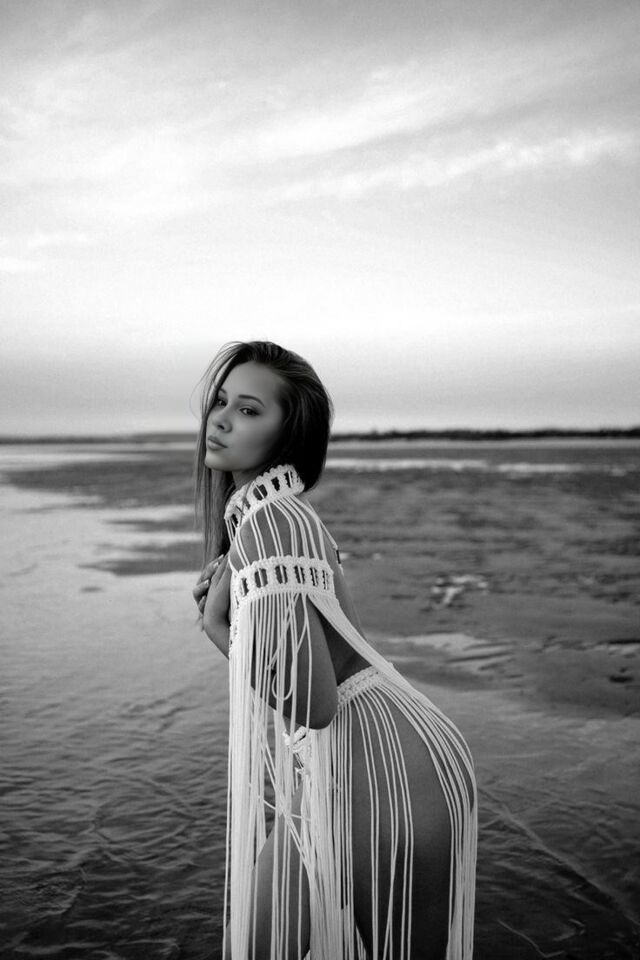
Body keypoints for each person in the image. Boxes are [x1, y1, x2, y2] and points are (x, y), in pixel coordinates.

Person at [192, 341, 477, 960]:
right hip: (365, 756)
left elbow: (314, 703)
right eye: (221, 402)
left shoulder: (272, 524)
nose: (221, 419)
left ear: (287, 434)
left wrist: (219, 627)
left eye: (248, 410)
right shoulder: (280, 516)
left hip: (381, 768)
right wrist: (232, 621)